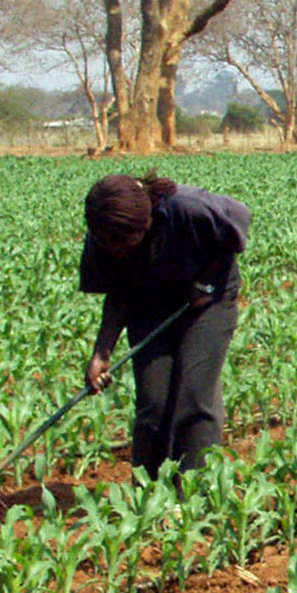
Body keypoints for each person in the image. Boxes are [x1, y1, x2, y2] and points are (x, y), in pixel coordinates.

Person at [79, 172, 251, 480]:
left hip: (208, 302)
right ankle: (148, 493)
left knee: (195, 394)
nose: (117, 250)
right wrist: (102, 351)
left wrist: (206, 282)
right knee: (153, 401)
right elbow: (118, 293)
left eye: (125, 243)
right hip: (150, 303)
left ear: (145, 222)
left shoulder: (186, 207)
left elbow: (237, 225)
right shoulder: (105, 238)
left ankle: (192, 494)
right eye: (109, 244)